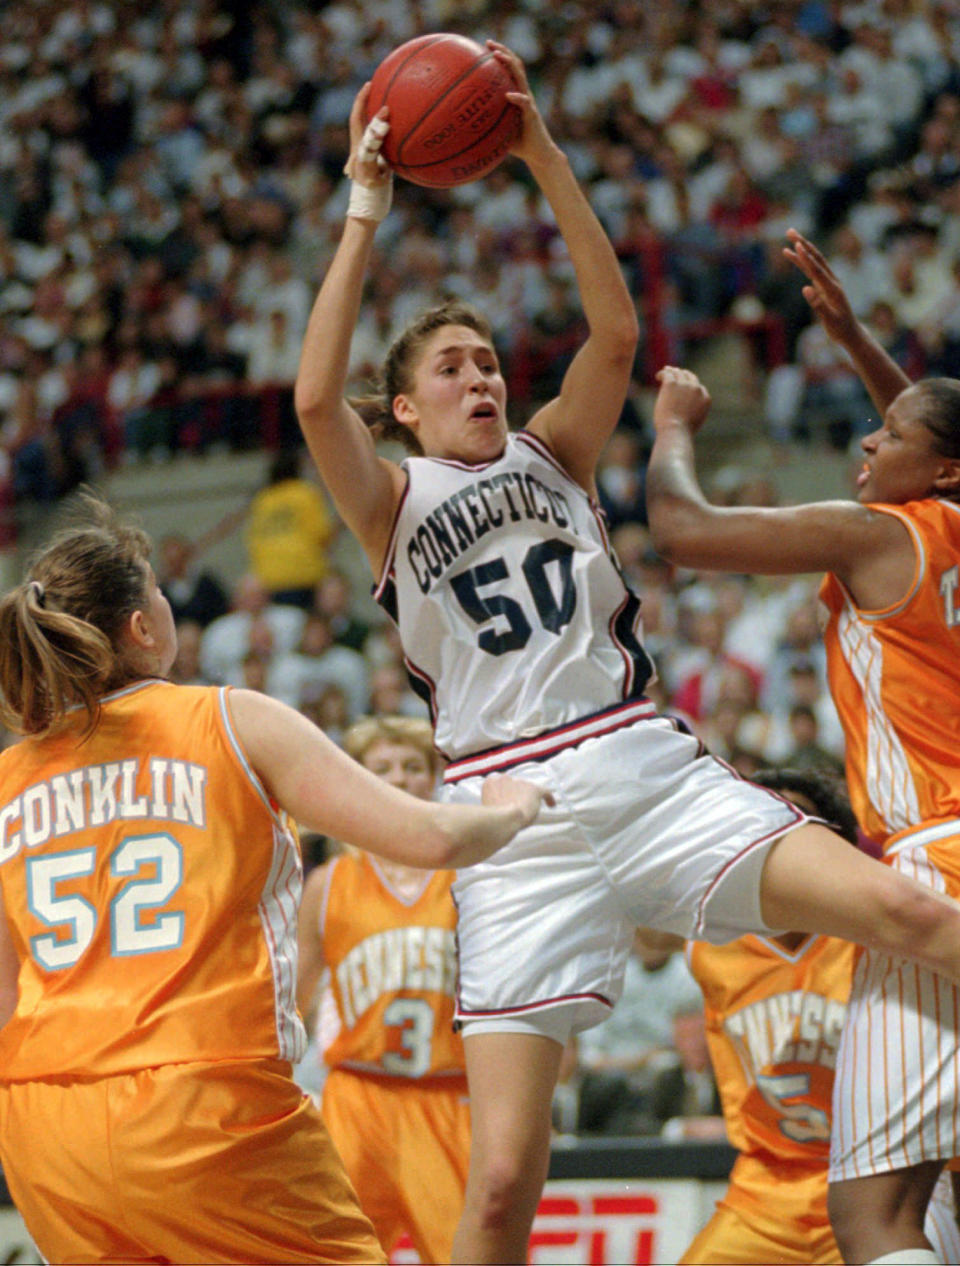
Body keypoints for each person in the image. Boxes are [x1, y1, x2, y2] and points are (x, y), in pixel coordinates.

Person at [294, 46, 960, 1265]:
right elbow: (309, 398)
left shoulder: (554, 451)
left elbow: (613, 327)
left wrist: (540, 151)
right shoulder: (390, 503)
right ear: (408, 410)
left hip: (643, 770)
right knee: (498, 1187)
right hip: (507, 820)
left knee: (906, 911)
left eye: (488, 359)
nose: (481, 376)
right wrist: (364, 212)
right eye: (451, 368)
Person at [0, 494, 549, 1266]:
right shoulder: (228, 718)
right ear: (141, 628)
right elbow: (427, 835)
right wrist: (513, 807)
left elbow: (6, 987)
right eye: (156, 589)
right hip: (200, 1100)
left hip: (42, 1120)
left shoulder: (8, 776)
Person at [645, 228, 960, 1266]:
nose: (867, 442)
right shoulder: (946, 514)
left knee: (873, 1219)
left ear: (938, 470)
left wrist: (673, 428)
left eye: (887, 436)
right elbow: (933, 432)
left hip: (933, 865)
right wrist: (860, 340)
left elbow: (684, 533)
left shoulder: (879, 535)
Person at [653, 768, 960, 1265]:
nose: (773, 847)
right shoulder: (706, 945)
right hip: (761, 1196)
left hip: (878, 1178)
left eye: (794, 830)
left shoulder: (882, 932)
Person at [298, 714, 468, 1264]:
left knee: (464, 1252)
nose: (399, 778)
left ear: (433, 777)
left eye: (413, 766)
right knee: (336, 1251)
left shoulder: (469, 876)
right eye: (383, 767)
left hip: (445, 1092)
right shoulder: (326, 886)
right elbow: (297, 998)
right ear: (360, 778)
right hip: (356, 1095)